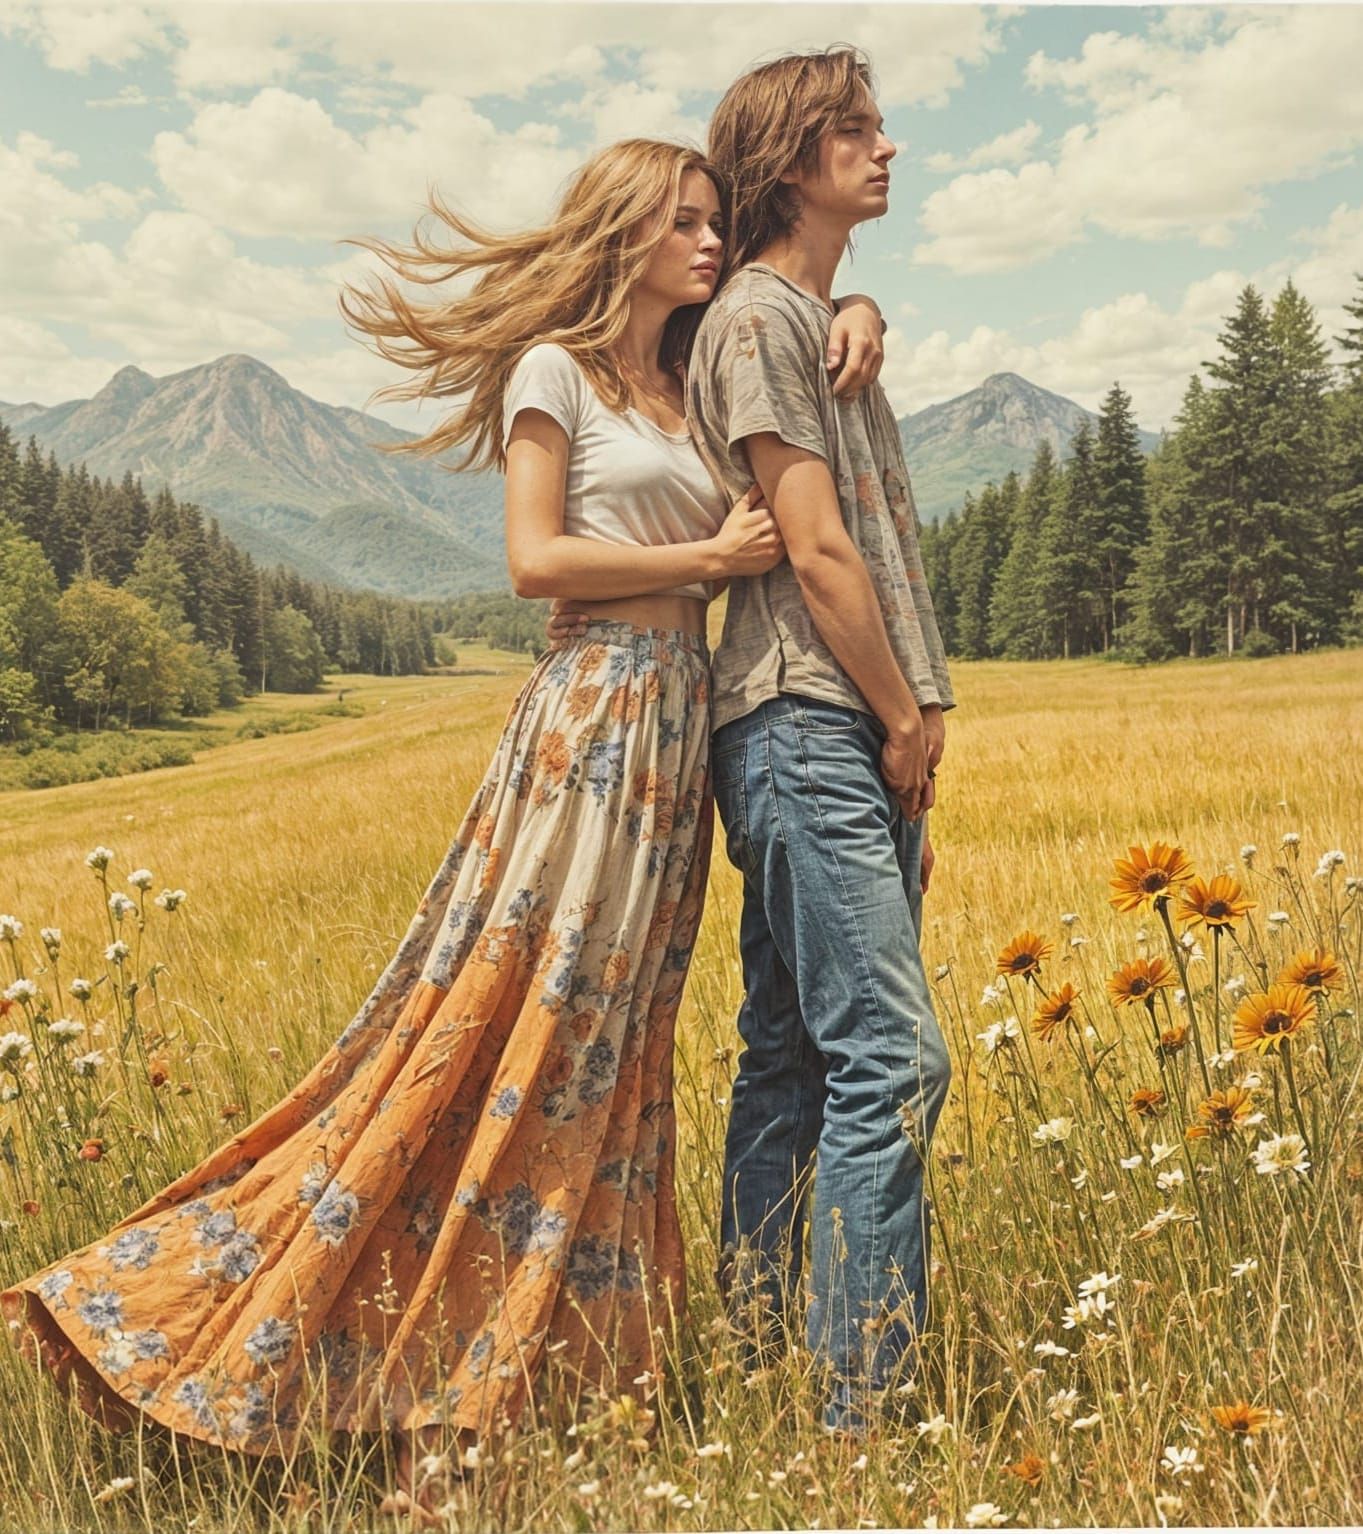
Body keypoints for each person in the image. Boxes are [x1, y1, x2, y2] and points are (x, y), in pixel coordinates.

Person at [0, 137, 884, 1520]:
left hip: (670, 756)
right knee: (511, 1038)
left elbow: (791, 315)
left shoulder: (689, 373)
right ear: (620, 231)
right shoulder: (560, 373)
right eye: (685, 223)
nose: (709, 244)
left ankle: (535, 1387)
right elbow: (534, 560)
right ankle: (416, 1391)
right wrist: (702, 563)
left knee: (608, 1063)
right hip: (592, 731)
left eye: (717, 223)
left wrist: (857, 311)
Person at [690, 46, 956, 1435]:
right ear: (793, 160)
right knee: (895, 1061)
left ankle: (748, 1362)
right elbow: (816, 548)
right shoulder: (755, 321)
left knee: (794, 1058)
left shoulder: (805, 312)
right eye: (854, 128)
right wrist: (904, 714)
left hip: (830, 727)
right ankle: (859, 1415)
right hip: (812, 721)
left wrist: (859, 299)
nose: (885, 145)